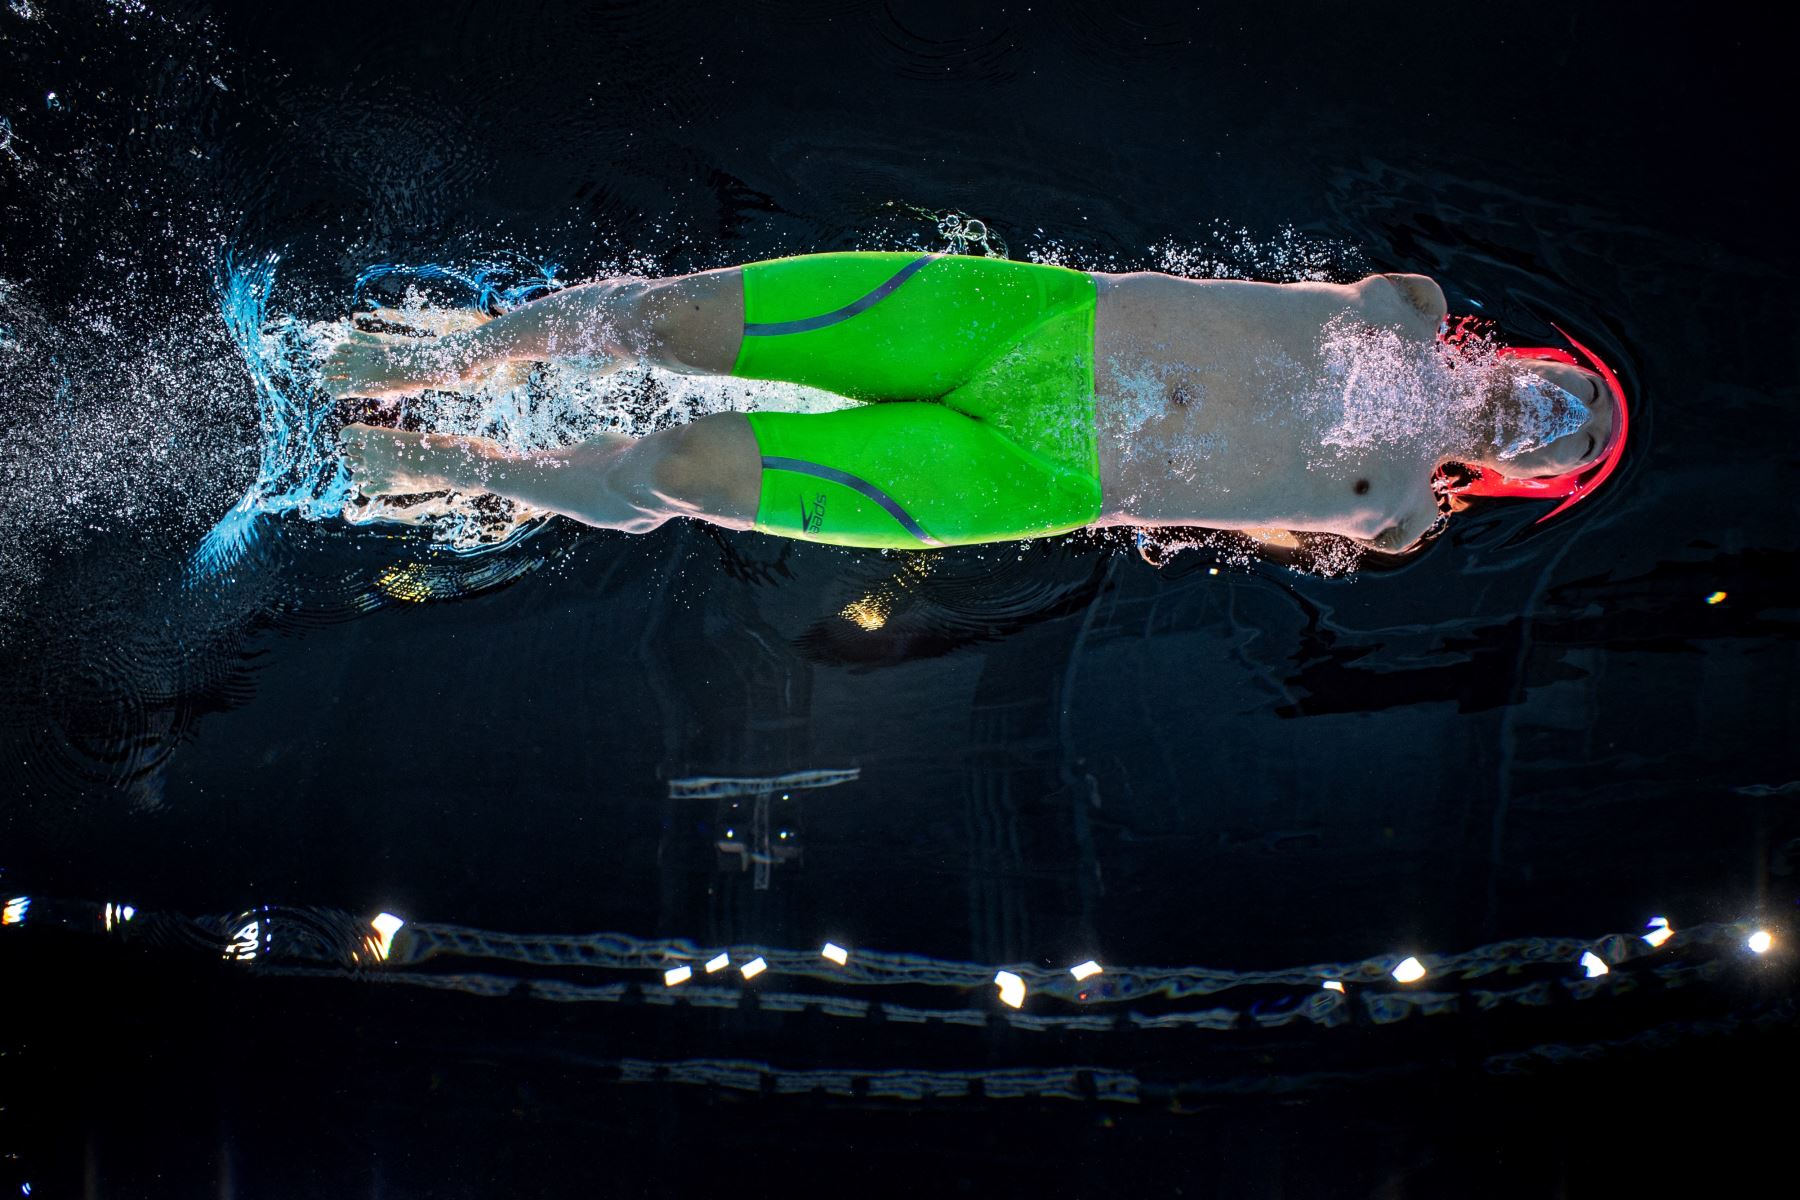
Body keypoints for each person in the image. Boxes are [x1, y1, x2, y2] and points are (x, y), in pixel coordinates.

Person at [327, 252, 1625, 554]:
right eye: (1558, 396)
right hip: (1032, 317)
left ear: (1521, 479)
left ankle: (449, 464)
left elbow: (1274, 531)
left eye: (1548, 439)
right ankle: (418, 363)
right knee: (675, 317)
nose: (1533, 415)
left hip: (1035, 480)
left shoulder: (1396, 510)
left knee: (688, 470)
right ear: (1526, 356)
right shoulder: (1400, 308)